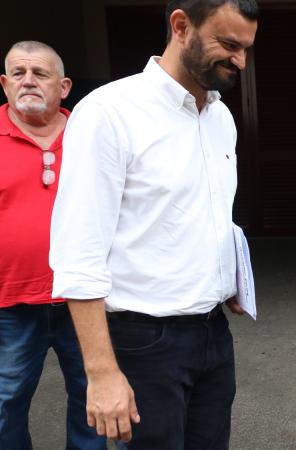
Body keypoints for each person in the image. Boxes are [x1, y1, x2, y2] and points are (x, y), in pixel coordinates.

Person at [48, 1, 258, 448]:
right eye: (228, 44)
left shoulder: (219, 116)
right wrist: (101, 373)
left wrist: (226, 274)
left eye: (245, 48)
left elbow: (202, 211)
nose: (240, 61)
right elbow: (78, 252)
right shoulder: (109, 112)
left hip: (213, 334)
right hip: (144, 342)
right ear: (181, 26)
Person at [0, 40, 106, 450]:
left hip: (86, 297)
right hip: (8, 302)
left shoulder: (92, 135)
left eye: (40, 74)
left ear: (64, 87)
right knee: (6, 401)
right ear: (5, 84)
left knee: (92, 397)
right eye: (18, 73)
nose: (28, 81)